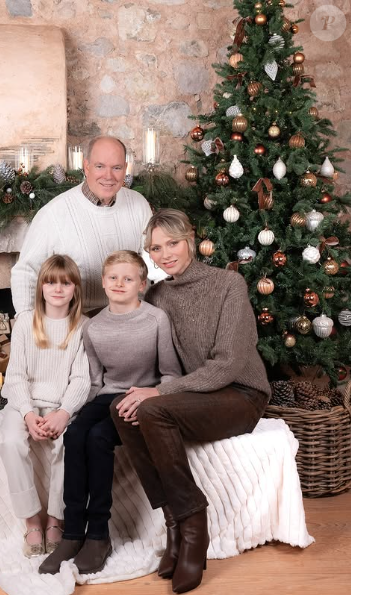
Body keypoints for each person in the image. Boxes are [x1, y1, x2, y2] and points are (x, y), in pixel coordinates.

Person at [111, 209, 271, 594]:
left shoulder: (229, 284)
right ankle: (173, 522)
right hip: (195, 395)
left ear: (190, 239)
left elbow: (229, 364)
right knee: (123, 408)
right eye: (155, 248)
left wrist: (162, 391)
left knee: (153, 406)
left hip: (240, 394)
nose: (165, 254)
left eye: (172, 243)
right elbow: (133, 332)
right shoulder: (159, 294)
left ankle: (193, 521)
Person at [39, 250, 181, 575]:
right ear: (103, 283)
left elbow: (171, 373)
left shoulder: (155, 319)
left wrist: (151, 397)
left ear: (142, 284)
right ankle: (73, 533)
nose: (119, 283)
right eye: (113, 278)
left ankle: (99, 535)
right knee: (76, 434)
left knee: (99, 438)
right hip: (106, 397)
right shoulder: (94, 327)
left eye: (128, 278)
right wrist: (69, 411)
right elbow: (93, 381)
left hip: (141, 398)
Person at [0, 254, 90, 558]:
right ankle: (32, 520)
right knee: (11, 441)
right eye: (51, 282)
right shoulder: (26, 321)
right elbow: (16, 375)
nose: (58, 289)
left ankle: (55, 519)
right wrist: (26, 413)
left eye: (66, 283)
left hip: (62, 405)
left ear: (75, 288)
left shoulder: (83, 327)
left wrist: (63, 413)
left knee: (70, 443)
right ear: (41, 287)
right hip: (23, 403)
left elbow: (81, 378)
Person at [10, 136, 165, 316]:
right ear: (86, 166)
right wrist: (26, 321)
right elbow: (26, 271)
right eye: (100, 166)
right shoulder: (53, 213)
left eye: (116, 168)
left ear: (125, 169)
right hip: (78, 321)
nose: (108, 176)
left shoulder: (139, 204)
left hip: (131, 314)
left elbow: (153, 261)